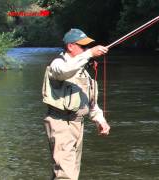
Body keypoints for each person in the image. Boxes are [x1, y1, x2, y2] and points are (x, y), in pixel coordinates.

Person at [42, 28, 111, 180]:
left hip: (78, 125)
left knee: (71, 173)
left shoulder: (83, 71)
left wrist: (100, 120)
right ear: (70, 46)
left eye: (87, 47)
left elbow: (91, 103)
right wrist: (89, 54)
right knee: (65, 175)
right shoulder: (57, 64)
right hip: (60, 123)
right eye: (83, 46)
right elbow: (64, 71)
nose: (86, 49)